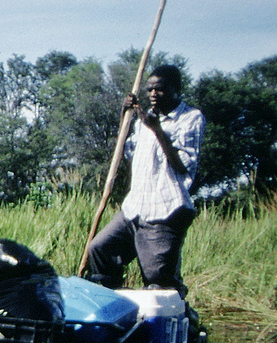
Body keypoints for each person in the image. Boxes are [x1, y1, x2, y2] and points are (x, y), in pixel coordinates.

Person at [83, 64, 204, 298]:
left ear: (176, 89)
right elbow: (126, 152)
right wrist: (125, 116)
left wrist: (157, 130)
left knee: (159, 280)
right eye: (149, 90)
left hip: (165, 210)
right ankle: (111, 309)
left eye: (159, 89)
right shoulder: (143, 120)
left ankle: (177, 321)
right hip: (135, 208)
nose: (152, 95)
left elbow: (183, 165)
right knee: (100, 250)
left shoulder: (190, 118)